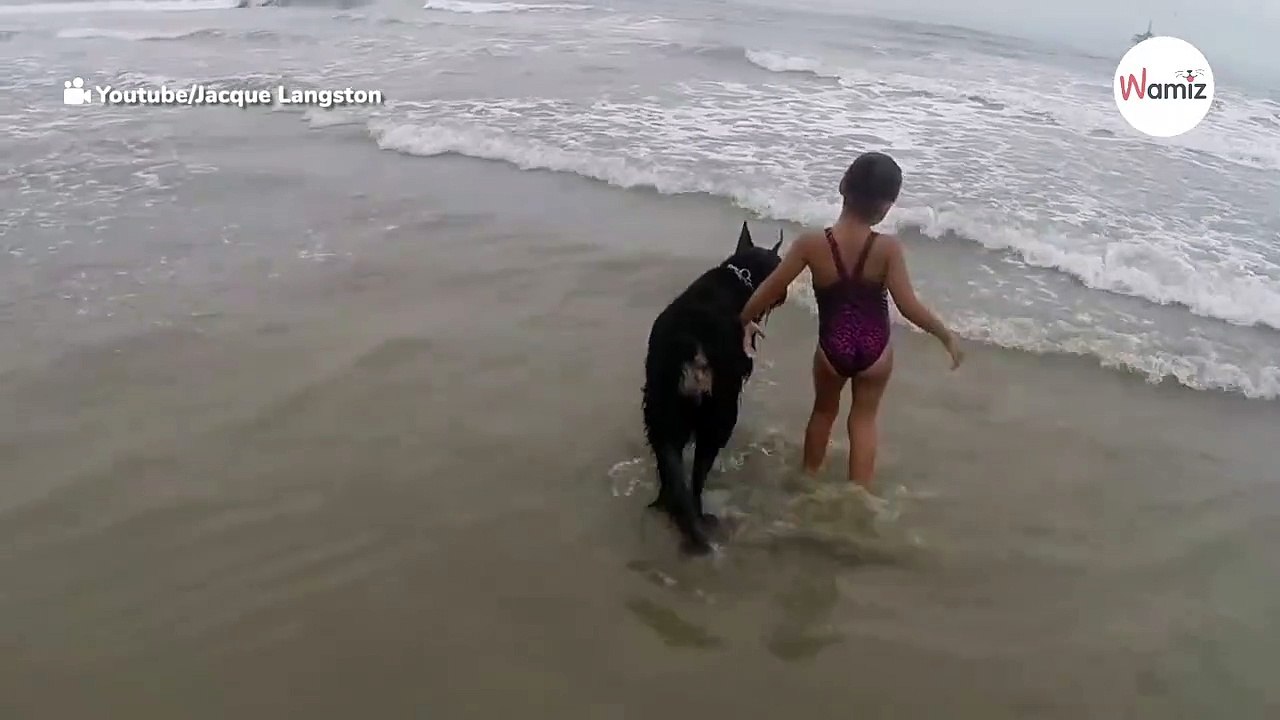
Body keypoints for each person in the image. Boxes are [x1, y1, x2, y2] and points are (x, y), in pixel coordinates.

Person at [738, 152, 963, 493]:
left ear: (843, 185)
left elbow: (771, 289)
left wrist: (743, 319)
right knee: (864, 420)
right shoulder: (887, 249)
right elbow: (908, 306)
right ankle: (860, 494)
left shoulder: (812, 244)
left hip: (832, 350)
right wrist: (946, 336)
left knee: (823, 412)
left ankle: (808, 479)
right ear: (886, 207)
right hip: (876, 352)